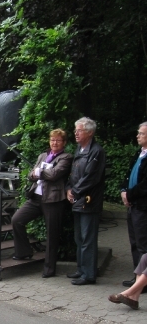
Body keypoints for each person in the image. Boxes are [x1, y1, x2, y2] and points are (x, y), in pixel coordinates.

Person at [11, 129, 73, 277]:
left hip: (53, 200)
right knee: (17, 220)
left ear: (64, 143)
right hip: (36, 198)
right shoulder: (43, 156)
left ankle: (49, 268)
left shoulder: (66, 157)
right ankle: (24, 252)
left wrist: (39, 172)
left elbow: (54, 174)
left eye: (58, 140)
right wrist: (37, 173)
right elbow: (32, 175)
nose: (54, 143)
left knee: (52, 234)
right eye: (52, 140)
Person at [66, 117, 106, 285]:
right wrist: (69, 188)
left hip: (89, 201)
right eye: (75, 130)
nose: (76, 133)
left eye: (79, 130)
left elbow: (91, 177)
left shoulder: (96, 151)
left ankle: (89, 275)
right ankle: (81, 269)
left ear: (90, 132)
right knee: (79, 238)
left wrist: (75, 191)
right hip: (77, 199)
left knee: (88, 238)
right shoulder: (79, 149)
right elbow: (73, 173)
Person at [120, 123, 147, 292]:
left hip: (143, 206)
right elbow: (129, 174)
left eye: (141, 134)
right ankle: (137, 276)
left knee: (143, 244)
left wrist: (129, 194)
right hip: (133, 205)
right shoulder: (140, 153)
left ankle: (143, 281)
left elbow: (145, 185)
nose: (137, 136)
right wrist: (124, 190)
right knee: (134, 242)